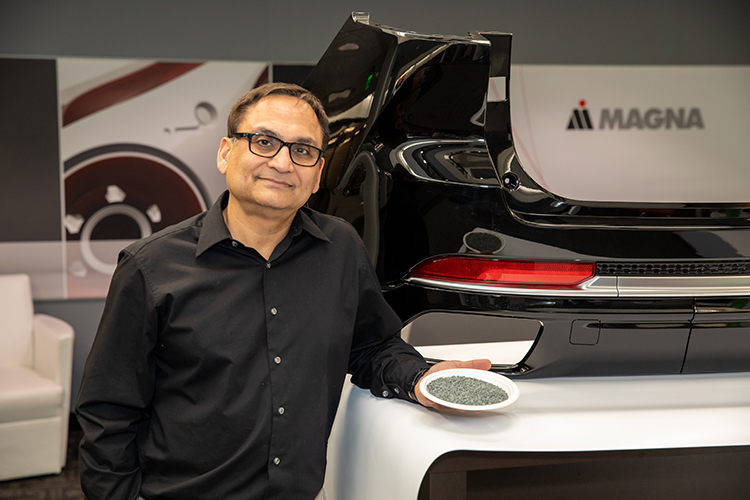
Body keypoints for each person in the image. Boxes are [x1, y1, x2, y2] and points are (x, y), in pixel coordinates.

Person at [75, 82, 490, 500]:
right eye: (264, 141)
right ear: (225, 152)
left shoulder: (341, 248)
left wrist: (420, 378)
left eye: (302, 150)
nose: (281, 162)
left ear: (317, 175)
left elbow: (371, 345)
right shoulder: (151, 267)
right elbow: (109, 411)